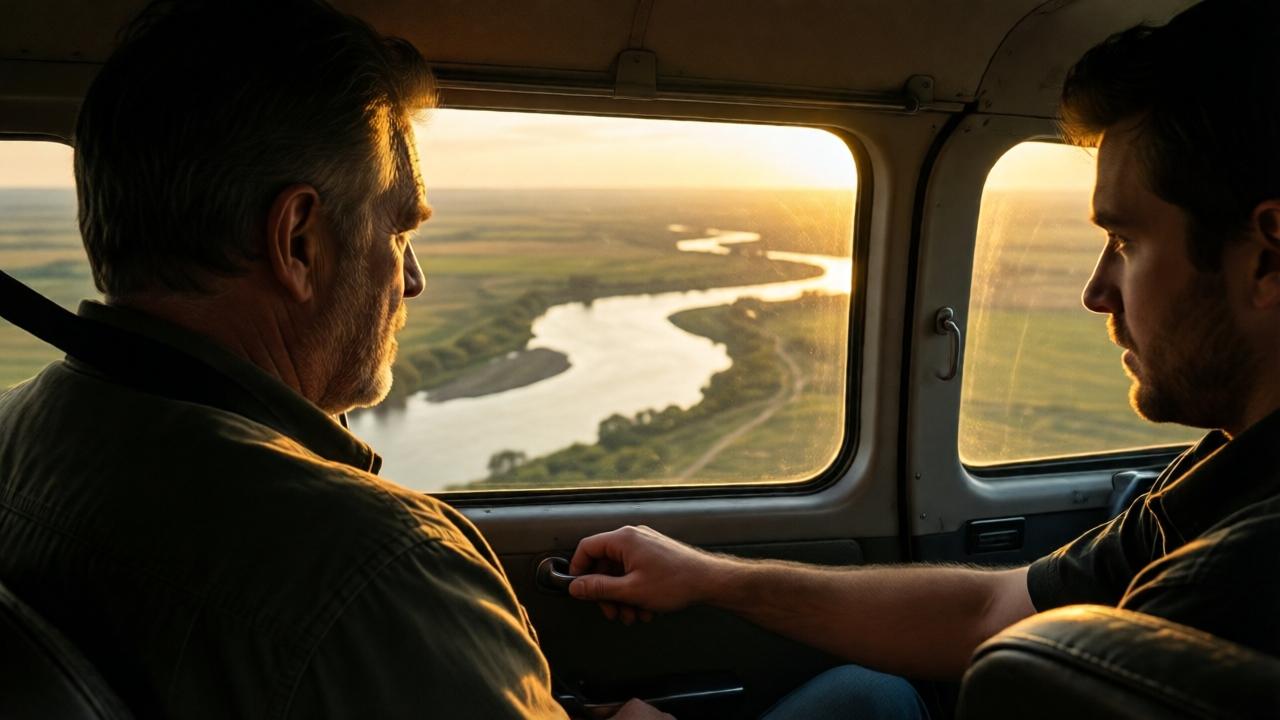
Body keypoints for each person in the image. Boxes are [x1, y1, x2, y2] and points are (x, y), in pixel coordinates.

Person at [567, 0, 1280, 715]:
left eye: (1125, 242)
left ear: (1267, 261)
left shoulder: (1219, 592)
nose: (1096, 292)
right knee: (868, 696)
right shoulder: (1222, 476)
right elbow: (992, 611)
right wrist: (708, 577)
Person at [0, 1, 672, 718]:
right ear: (298, 243)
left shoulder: (15, 431)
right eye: (398, 232)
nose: (412, 279)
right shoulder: (381, 572)